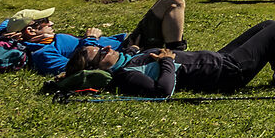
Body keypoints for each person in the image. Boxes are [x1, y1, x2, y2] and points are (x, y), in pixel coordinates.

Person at [172, 18, 275, 94]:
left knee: (269, 25)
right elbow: (164, 88)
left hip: (216, 59)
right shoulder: (151, 78)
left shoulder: (150, 59)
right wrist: (166, 60)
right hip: (224, 71)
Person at [46, 42, 180, 99]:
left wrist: (131, 50)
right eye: (102, 53)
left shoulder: (127, 58)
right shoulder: (127, 74)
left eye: (102, 47)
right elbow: (163, 92)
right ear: (97, 68)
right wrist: (167, 61)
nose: (108, 47)